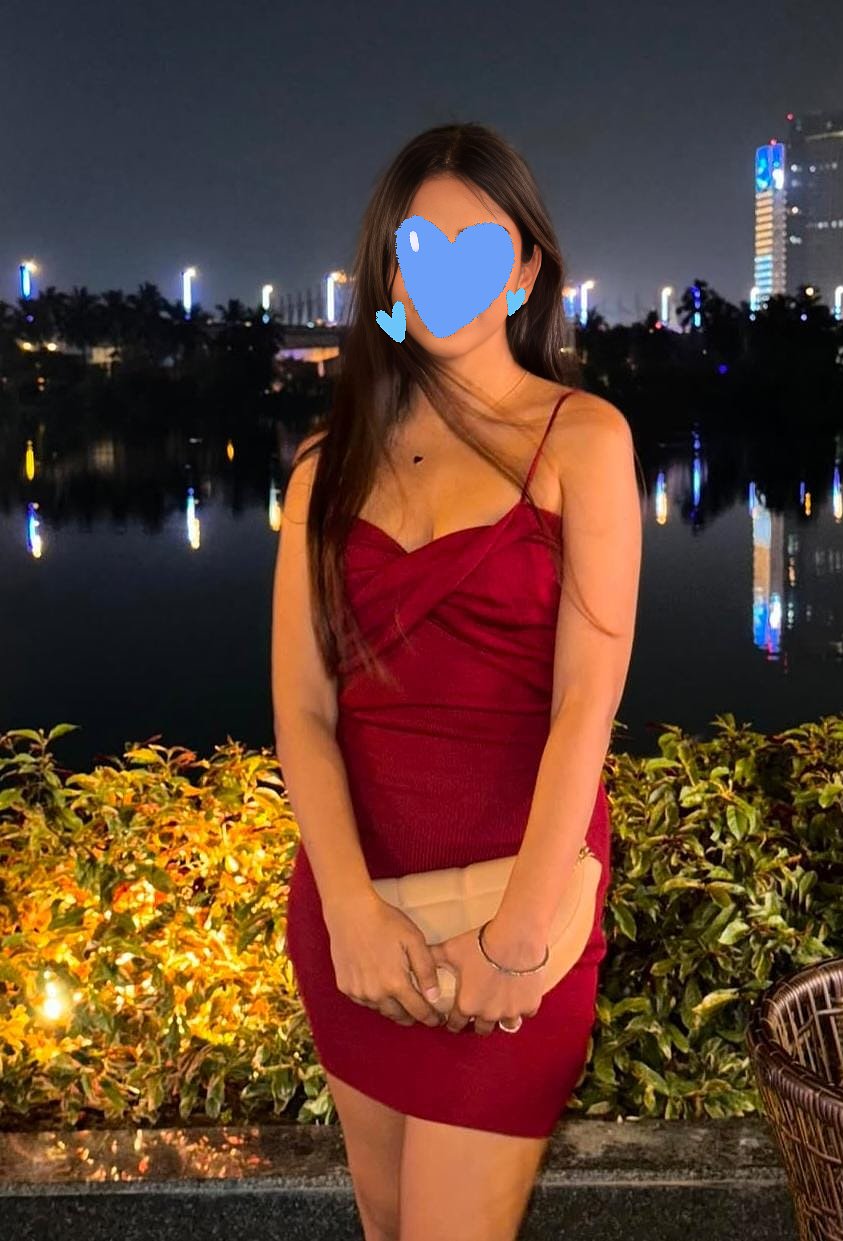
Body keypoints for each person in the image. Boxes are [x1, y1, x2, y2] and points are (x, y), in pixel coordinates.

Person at [271, 121, 643, 1241]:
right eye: (416, 248)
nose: (442, 272)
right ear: (387, 272)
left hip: (512, 910)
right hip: (358, 917)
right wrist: (349, 913)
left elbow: (586, 701)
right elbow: (303, 708)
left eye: (477, 246)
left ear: (524, 270)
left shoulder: (582, 438)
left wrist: (521, 934)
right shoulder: (323, 465)